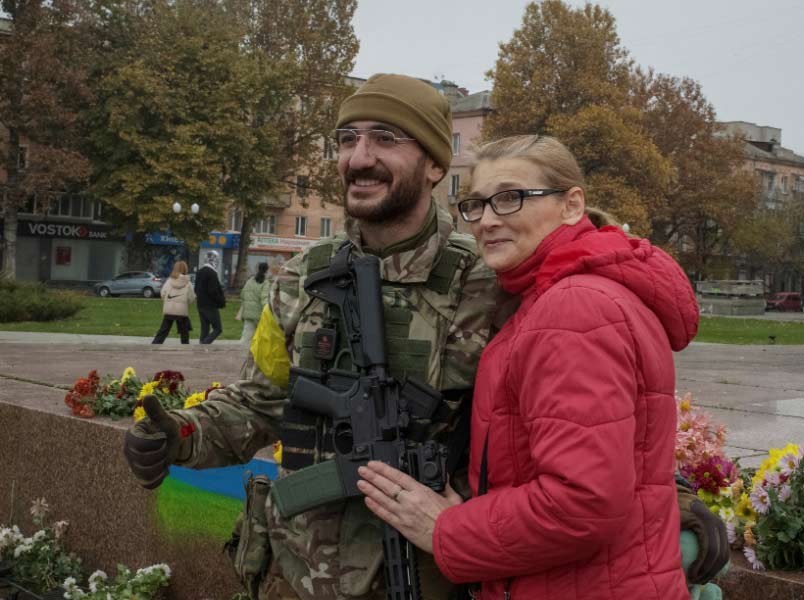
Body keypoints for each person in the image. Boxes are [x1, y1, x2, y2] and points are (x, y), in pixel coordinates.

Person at [123, 73, 500, 600]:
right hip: (296, 575)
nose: (359, 157)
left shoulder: (491, 284)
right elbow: (263, 400)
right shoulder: (301, 278)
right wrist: (184, 434)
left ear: (436, 163)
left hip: (424, 578)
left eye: (386, 139)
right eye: (348, 139)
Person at [356, 135, 703, 599]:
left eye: (510, 198)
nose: (488, 220)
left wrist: (448, 529)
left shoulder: (574, 308)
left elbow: (582, 501)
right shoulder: (568, 294)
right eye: (475, 205)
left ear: (571, 204)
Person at [151, 260, 195, 344]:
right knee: (184, 331)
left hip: (169, 309)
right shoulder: (188, 283)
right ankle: (185, 347)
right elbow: (191, 298)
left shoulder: (169, 281)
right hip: (182, 311)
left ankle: (155, 345)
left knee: (164, 330)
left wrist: (168, 301)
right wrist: (185, 303)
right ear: (185, 269)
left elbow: (163, 293)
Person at [194, 250, 226, 344]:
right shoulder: (212, 273)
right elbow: (213, 291)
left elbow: (196, 288)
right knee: (218, 328)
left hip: (200, 304)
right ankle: (204, 344)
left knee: (205, 329)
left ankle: (202, 347)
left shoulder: (200, 272)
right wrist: (221, 301)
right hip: (210, 306)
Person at [239, 262, 271, 345]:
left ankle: (240, 354)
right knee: (263, 338)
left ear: (258, 269)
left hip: (248, 314)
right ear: (267, 270)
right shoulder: (266, 283)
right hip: (259, 315)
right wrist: (268, 312)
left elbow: (242, 294)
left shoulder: (250, 281)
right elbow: (264, 298)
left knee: (245, 338)